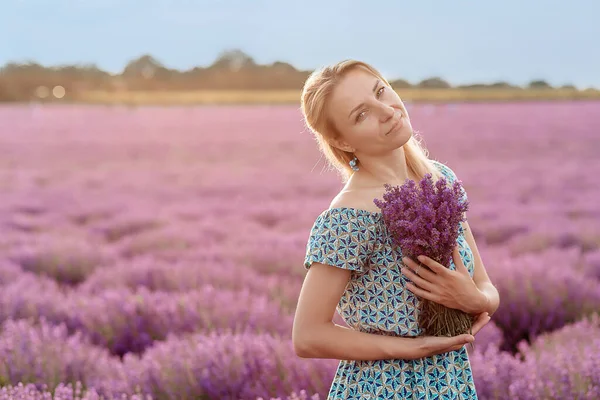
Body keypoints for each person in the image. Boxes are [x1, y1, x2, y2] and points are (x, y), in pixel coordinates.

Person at [292, 60, 500, 399]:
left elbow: (485, 285)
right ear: (342, 141)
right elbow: (307, 335)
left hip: (452, 384)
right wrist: (409, 348)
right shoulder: (348, 216)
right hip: (382, 388)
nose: (387, 111)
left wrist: (475, 299)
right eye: (361, 115)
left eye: (380, 91)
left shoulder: (441, 181)